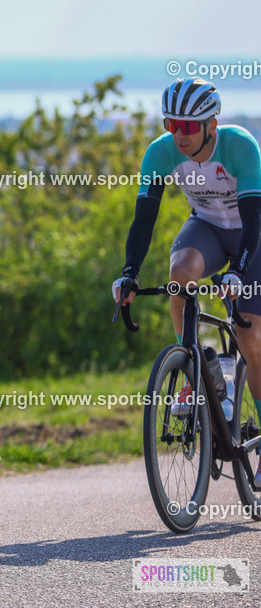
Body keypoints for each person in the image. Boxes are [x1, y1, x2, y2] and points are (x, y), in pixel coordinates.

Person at [112, 77, 261, 485]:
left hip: (253, 235)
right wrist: (129, 273)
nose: (178, 135)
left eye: (189, 127)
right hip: (208, 229)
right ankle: (195, 364)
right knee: (179, 276)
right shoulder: (160, 155)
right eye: (171, 124)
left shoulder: (240, 146)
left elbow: (252, 224)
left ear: (211, 125)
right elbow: (144, 221)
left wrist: (236, 272)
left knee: (250, 335)